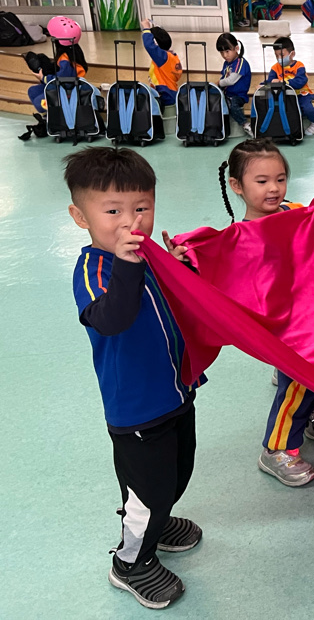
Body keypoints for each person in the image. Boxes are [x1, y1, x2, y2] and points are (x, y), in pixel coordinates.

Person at [65, 147, 202, 609]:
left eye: (141, 207)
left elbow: (174, 307)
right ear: (80, 217)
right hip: (137, 410)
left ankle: (157, 525)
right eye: (113, 211)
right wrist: (129, 265)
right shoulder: (94, 269)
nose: (131, 222)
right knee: (148, 492)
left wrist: (178, 266)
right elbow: (113, 318)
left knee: (178, 472)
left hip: (175, 392)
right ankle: (130, 563)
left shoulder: (147, 258)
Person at [215, 139, 314, 487]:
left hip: (311, 310)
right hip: (283, 324)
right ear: (237, 185)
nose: (274, 188)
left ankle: (313, 403)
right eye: (262, 181)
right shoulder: (240, 237)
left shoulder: (294, 211)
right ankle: (277, 448)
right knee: (300, 377)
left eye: (280, 179)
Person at [25, 17, 88, 114]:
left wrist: (43, 78)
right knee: (33, 91)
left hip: (69, 90)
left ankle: (61, 114)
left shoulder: (66, 60)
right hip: (62, 87)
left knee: (39, 102)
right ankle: (54, 114)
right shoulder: (72, 51)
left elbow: (63, 81)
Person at [265, 37, 314, 135]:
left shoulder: (299, 65)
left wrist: (284, 82)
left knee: (308, 109)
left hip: (302, 95)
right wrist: (264, 85)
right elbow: (269, 81)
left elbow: (300, 81)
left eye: (282, 55)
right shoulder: (275, 68)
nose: (279, 58)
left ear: (292, 54)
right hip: (286, 96)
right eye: (276, 55)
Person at [141, 18, 182, 109]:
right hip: (171, 93)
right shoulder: (172, 57)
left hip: (165, 95)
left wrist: (146, 29)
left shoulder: (162, 58)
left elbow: (149, 46)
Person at [216, 33, 252, 134]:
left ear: (236, 48)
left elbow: (231, 80)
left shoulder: (240, 63)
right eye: (222, 52)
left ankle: (245, 124)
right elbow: (224, 77)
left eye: (227, 51)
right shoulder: (226, 63)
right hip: (227, 95)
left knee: (233, 105)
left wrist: (218, 83)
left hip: (238, 96)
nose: (224, 55)